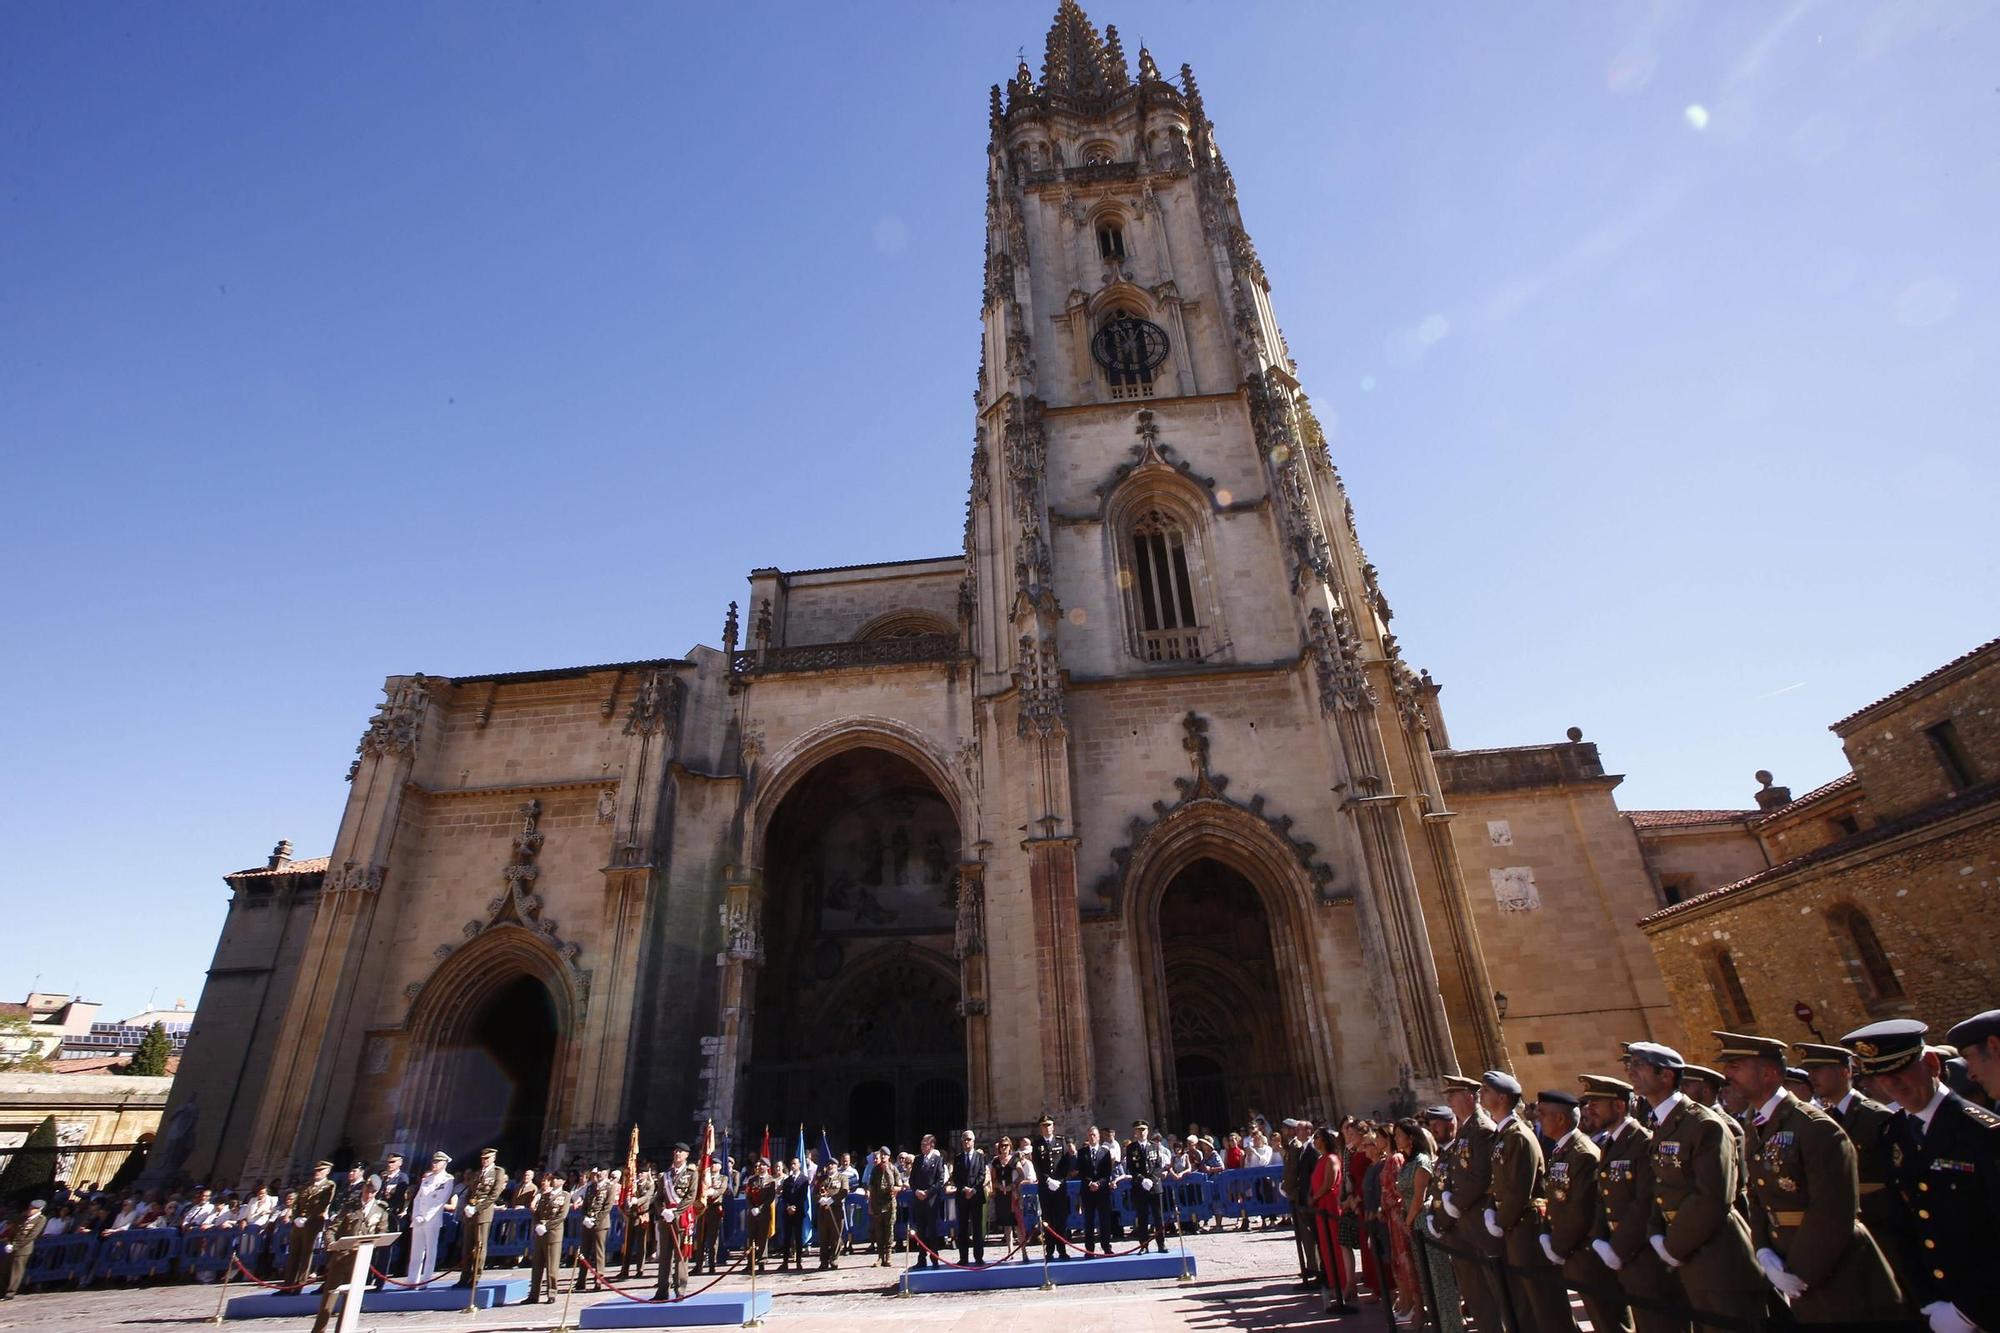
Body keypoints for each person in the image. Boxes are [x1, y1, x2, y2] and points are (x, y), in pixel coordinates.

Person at [1712, 1030, 1902, 1323]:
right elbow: (1760, 1195)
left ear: (1769, 1073)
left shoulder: (1814, 1126)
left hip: (1839, 1275)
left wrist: (1799, 1271)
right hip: (1794, 1271)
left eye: (1736, 1066)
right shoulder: (1757, 1124)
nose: (1727, 1074)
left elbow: (1832, 1210)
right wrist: (1763, 1251)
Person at [1843, 1017, 2000, 1333]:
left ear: (1931, 1064)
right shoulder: (1893, 1132)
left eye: (1899, 1072)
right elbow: (1904, 1224)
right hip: (1937, 1305)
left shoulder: (1982, 1131)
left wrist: (1969, 1311)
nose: (1892, 1085)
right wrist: (1927, 1299)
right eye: (1880, 1077)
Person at [1622, 1039, 1765, 1332]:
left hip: (1717, 1254)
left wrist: (1671, 1246)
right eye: (1630, 1065)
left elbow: (1712, 1198)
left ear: (1666, 1075)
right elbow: (1660, 1189)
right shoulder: (1665, 1124)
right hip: (1688, 1252)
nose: (1630, 1071)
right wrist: (1655, 1235)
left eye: (1639, 1065)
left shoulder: (1703, 1124)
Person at [1434, 1074, 1502, 1333]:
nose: (1449, 1101)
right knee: (1477, 1292)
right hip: (1465, 1223)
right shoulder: (1467, 1128)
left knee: (1493, 1291)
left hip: (1480, 1222)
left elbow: (1481, 1177)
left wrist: (1453, 1206)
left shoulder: (1482, 1129)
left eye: (1453, 1095)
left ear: (1469, 1097)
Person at [308, 1176, 387, 1333]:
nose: (368, 1195)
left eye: (372, 1192)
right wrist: (331, 1243)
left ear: (376, 1193)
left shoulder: (380, 1211)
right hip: (341, 1259)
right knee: (328, 1302)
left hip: (360, 1262)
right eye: (366, 1190)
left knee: (350, 1302)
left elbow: (382, 1233)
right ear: (363, 1189)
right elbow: (332, 1229)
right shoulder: (350, 1208)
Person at [1309, 1127, 1359, 1314]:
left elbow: (1328, 1183)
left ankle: (1345, 1283)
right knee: (1325, 1243)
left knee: (1335, 1244)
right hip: (1321, 1205)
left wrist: (1314, 1197)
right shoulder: (1321, 1159)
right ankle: (1333, 1281)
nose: (1315, 1140)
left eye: (1318, 1137)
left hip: (1329, 1205)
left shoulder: (1331, 1159)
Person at [457, 1147, 507, 1299]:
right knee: (467, 1246)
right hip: (470, 1212)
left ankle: (475, 1277)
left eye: (487, 1158)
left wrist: (477, 1208)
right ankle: (464, 1276)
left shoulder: (498, 1172)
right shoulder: (477, 1173)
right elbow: (470, 1191)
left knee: (479, 1245)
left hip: (483, 1212)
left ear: (493, 1158)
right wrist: (467, 1205)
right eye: (483, 1158)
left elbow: (494, 1194)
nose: (484, 1161)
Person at [285, 1161, 339, 1290]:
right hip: (299, 1223)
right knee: (293, 1253)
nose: (317, 1173)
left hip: (313, 1223)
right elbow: (296, 1203)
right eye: (316, 1170)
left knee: (306, 1254)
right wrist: (296, 1217)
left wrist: (307, 1219)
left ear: (327, 1172)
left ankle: (300, 1284)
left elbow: (323, 1204)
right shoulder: (306, 1185)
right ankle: (288, 1284)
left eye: (321, 1170)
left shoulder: (329, 1186)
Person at [405, 1151, 455, 1286]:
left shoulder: (447, 1179)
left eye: (437, 1162)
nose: (434, 1164)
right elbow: (418, 1199)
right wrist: (416, 1215)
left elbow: (440, 1201)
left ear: (444, 1163)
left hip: (431, 1219)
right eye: (433, 1161)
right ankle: (412, 1279)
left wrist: (426, 1217)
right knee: (416, 1251)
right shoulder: (427, 1179)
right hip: (419, 1218)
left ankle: (426, 1279)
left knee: (430, 1250)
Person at [1028, 1114, 1074, 1260]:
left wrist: (1060, 1180)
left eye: (1049, 1125)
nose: (1047, 1128)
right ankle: (1049, 1250)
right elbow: (1036, 1165)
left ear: (1053, 1126)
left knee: (1060, 1219)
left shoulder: (1061, 1141)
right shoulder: (1037, 1144)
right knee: (1048, 1219)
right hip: (1045, 1187)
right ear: (1040, 1128)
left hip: (1059, 1187)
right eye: (1044, 1125)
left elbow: (1066, 1163)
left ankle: (1062, 1249)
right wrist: (1047, 1180)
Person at [653, 1143, 697, 1299]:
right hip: (666, 1219)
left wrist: (676, 1211)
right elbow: (657, 1198)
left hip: (681, 1218)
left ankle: (680, 1289)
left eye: (681, 1152)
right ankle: (662, 1290)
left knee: (680, 1256)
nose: (678, 1153)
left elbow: (690, 1197)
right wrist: (662, 1211)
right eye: (676, 1151)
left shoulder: (692, 1174)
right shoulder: (665, 1175)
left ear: (686, 1155)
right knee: (664, 1255)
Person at [946, 1129, 988, 1264]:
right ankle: (963, 1257)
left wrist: (974, 1189)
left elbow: (982, 1174)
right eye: (964, 1139)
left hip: (976, 1196)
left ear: (973, 1141)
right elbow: (956, 1176)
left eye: (969, 1139)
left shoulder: (980, 1157)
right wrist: (964, 1188)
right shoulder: (958, 1158)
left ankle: (979, 1257)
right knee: (962, 1228)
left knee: (977, 1228)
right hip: (962, 1196)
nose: (966, 1142)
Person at [527, 1170, 569, 1305]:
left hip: (553, 1233)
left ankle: (551, 1293)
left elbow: (561, 1216)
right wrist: (538, 1224)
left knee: (552, 1266)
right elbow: (538, 1212)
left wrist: (547, 1226)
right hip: (541, 1233)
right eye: (553, 1178)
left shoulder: (565, 1196)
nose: (554, 1181)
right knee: (537, 1265)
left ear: (562, 1181)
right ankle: (534, 1294)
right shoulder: (545, 1195)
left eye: (557, 1179)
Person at [1124, 1120, 1165, 1255]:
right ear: (1134, 1132)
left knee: (1158, 1217)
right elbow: (1130, 1167)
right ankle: (1143, 1244)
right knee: (1142, 1218)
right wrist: (1142, 1180)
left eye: (1144, 1129)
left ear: (1147, 1131)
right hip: (1139, 1187)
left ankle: (1161, 1244)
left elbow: (1159, 1166)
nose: (1141, 1132)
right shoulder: (1131, 1148)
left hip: (1154, 1186)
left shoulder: (1155, 1146)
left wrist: (1152, 1180)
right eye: (1138, 1130)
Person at [906, 1135, 945, 1268]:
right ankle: (921, 1259)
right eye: (921, 1144)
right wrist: (916, 1190)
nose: (922, 1147)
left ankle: (934, 1258)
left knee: (932, 1231)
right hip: (919, 1201)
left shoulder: (938, 1160)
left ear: (931, 1145)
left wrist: (928, 1193)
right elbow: (912, 1179)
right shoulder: (917, 1160)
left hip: (931, 1201)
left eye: (925, 1144)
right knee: (921, 1231)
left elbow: (939, 1181)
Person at [1077, 1125, 1115, 1254]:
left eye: (1094, 1135)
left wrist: (1099, 1183)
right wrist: (1090, 1183)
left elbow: (1107, 1172)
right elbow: (1081, 1172)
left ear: (1098, 1137)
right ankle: (1089, 1248)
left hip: (1102, 1190)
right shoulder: (1082, 1152)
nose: (1092, 1137)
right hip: (1088, 1191)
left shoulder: (1105, 1152)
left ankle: (1106, 1246)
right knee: (1089, 1220)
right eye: (1090, 1135)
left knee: (1104, 1219)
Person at [0, 1199, 48, 1302]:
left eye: (34, 1208)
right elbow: (13, 1231)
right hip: (11, 1247)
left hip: (23, 1249)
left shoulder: (40, 1219)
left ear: (40, 1209)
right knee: (4, 1269)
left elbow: (31, 1236)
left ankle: (10, 1292)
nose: (30, 1210)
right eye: (30, 1207)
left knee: (16, 1271)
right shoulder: (23, 1218)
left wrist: (16, 1246)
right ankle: (2, 1290)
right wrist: (9, 1242)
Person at [575, 1165, 612, 1290]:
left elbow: (607, 1207)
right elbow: (585, 1204)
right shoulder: (590, 1187)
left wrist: (595, 1220)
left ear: (606, 1172)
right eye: (598, 1171)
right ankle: (581, 1280)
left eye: (602, 1171)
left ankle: (598, 1279)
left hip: (600, 1224)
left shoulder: (609, 1187)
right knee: (584, 1252)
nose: (599, 1174)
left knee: (598, 1253)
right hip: (587, 1223)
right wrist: (585, 1216)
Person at [741, 1160, 778, 1276]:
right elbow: (748, 1195)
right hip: (752, 1213)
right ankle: (750, 1262)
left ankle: (761, 1261)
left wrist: (760, 1208)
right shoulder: (752, 1180)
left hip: (764, 1212)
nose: (760, 1167)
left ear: (767, 1167)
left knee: (762, 1237)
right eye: (759, 1165)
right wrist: (752, 1208)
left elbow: (770, 1198)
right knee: (751, 1237)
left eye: (763, 1165)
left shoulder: (771, 1181)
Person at [866, 1148, 900, 1266]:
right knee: (879, 1231)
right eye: (882, 1155)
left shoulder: (893, 1168)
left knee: (889, 1229)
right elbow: (871, 1187)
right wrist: (870, 1204)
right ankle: (880, 1256)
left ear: (889, 1156)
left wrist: (896, 1189)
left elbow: (899, 1185)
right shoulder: (875, 1170)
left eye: (885, 1155)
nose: (883, 1157)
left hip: (889, 1204)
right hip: (877, 1204)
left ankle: (888, 1255)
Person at [620, 1165, 653, 1281]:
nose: (640, 1175)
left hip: (642, 1215)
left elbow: (647, 1197)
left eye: (643, 1173)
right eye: (639, 1173)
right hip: (632, 1216)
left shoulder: (650, 1185)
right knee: (628, 1243)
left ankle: (640, 1269)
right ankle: (625, 1269)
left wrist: (636, 1201)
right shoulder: (633, 1184)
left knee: (641, 1244)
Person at [815, 1163, 845, 1270]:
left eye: (833, 1164)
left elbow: (844, 1191)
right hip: (823, 1212)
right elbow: (815, 1192)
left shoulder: (842, 1177)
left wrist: (832, 1200)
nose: (830, 1166)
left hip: (836, 1211)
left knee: (835, 1236)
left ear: (837, 1166)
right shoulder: (822, 1178)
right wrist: (820, 1199)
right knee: (823, 1237)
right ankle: (823, 1261)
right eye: (828, 1165)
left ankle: (834, 1259)